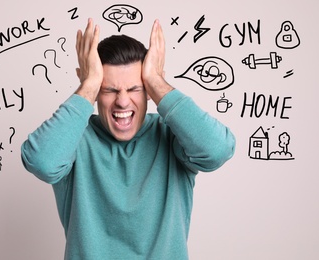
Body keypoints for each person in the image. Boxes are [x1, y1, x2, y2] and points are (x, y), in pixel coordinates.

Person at [21, 18, 235, 260]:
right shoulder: (73, 139)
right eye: (108, 89)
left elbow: (218, 150)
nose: (122, 101)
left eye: (135, 89)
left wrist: (156, 81)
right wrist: (89, 84)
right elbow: (41, 161)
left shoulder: (172, 133)